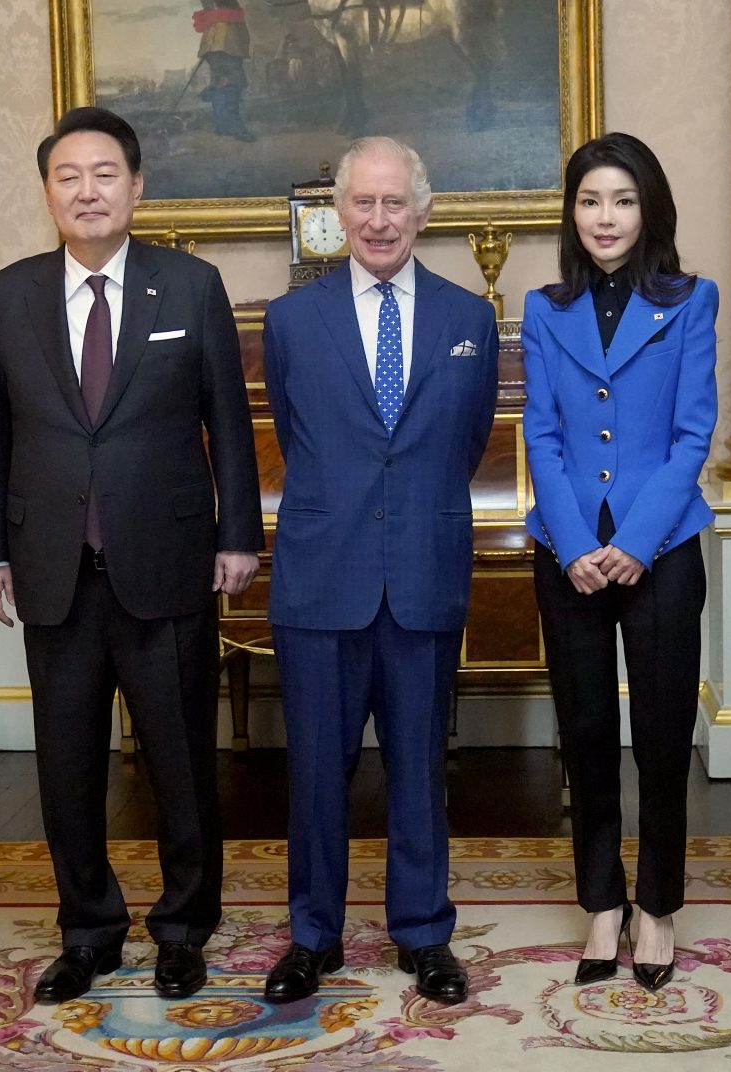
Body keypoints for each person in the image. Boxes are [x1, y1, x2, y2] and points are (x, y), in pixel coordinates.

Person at [0, 106, 262, 1003]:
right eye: (69, 175)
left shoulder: (190, 286)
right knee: (66, 769)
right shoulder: (9, 293)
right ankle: (88, 930)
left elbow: (228, 421)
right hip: (51, 567)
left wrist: (240, 532)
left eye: (105, 174)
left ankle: (183, 930)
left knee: (181, 762)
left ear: (137, 187)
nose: (88, 190)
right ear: (48, 192)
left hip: (167, 561)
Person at [261, 136, 498, 1006]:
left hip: (424, 574)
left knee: (419, 769)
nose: (379, 219)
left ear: (422, 211)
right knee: (317, 772)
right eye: (362, 203)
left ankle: (424, 933)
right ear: (337, 213)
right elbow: (298, 440)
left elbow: (464, 444)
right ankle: (312, 935)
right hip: (323, 579)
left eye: (395, 202)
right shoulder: (290, 321)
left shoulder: (468, 318)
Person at [520, 132, 718, 991]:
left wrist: (634, 544)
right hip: (566, 553)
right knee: (589, 733)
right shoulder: (542, 305)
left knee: (665, 739)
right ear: (572, 212)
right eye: (592, 200)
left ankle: (659, 907)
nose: (606, 217)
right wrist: (574, 547)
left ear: (650, 210)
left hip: (661, 548)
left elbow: (691, 434)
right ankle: (603, 902)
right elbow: (543, 434)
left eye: (624, 200)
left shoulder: (693, 299)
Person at [189, 0, 258, 142]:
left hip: (220, 42)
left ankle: (221, 125)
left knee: (221, 82)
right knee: (232, 83)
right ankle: (236, 128)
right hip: (224, 42)